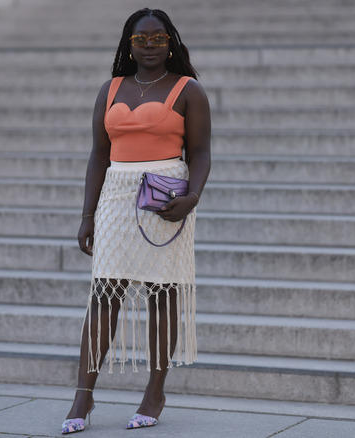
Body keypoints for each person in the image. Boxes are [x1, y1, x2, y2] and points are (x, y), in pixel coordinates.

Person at [61, 7, 211, 435]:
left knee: (162, 293)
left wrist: (192, 198)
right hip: (115, 197)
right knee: (104, 292)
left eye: (158, 38)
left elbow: (200, 153)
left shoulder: (188, 90)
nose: (149, 45)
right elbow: (97, 154)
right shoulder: (109, 89)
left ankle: (155, 392)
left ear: (171, 42)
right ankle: (83, 395)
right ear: (129, 43)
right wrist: (87, 214)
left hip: (165, 197)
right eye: (141, 38)